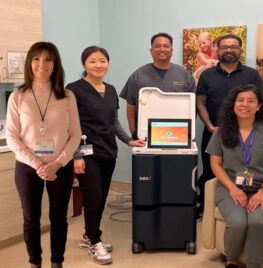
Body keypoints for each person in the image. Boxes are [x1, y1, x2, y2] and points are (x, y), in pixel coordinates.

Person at [66, 46, 144, 265]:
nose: (98, 65)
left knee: (100, 197)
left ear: (108, 64)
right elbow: (68, 124)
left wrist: (128, 139)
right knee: (93, 196)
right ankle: (94, 241)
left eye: (102, 61)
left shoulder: (110, 90)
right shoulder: (73, 89)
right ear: (84, 64)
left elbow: (113, 122)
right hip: (85, 152)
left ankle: (87, 236)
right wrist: (76, 155)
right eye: (92, 61)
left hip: (108, 151)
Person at [6, 42, 81, 268]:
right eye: (36, 59)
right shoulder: (18, 96)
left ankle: (57, 262)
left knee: (59, 218)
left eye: (48, 59)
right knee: (31, 219)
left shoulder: (67, 96)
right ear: (30, 62)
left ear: (55, 64)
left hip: (61, 166)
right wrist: (38, 164)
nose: (42, 64)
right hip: (28, 168)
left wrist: (57, 163)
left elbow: (75, 135)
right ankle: (34, 263)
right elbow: (12, 136)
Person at [206, 84, 263, 268]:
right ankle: (231, 260)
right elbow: (215, 164)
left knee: (257, 221)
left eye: (251, 100)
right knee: (237, 223)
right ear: (233, 104)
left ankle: (253, 265)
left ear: (259, 106)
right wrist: (233, 188)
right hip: (229, 187)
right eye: (240, 100)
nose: (245, 104)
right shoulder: (221, 132)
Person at [196, 34, 263, 218]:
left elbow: (258, 102)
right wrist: (209, 125)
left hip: (244, 134)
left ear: (240, 51)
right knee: (209, 171)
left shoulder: (251, 74)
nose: (229, 50)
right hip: (214, 132)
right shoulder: (207, 74)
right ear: (217, 50)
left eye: (233, 47)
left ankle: (239, 205)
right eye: (224, 47)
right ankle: (205, 207)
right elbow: (200, 101)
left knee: (241, 169)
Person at [120, 32, 196, 140]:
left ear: (172, 50)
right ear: (151, 51)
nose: (162, 49)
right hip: (146, 134)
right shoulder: (138, 75)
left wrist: (189, 132)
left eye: (166, 46)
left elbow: (192, 106)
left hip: (178, 134)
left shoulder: (184, 75)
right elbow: (131, 105)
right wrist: (134, 132)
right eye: (157, 46)